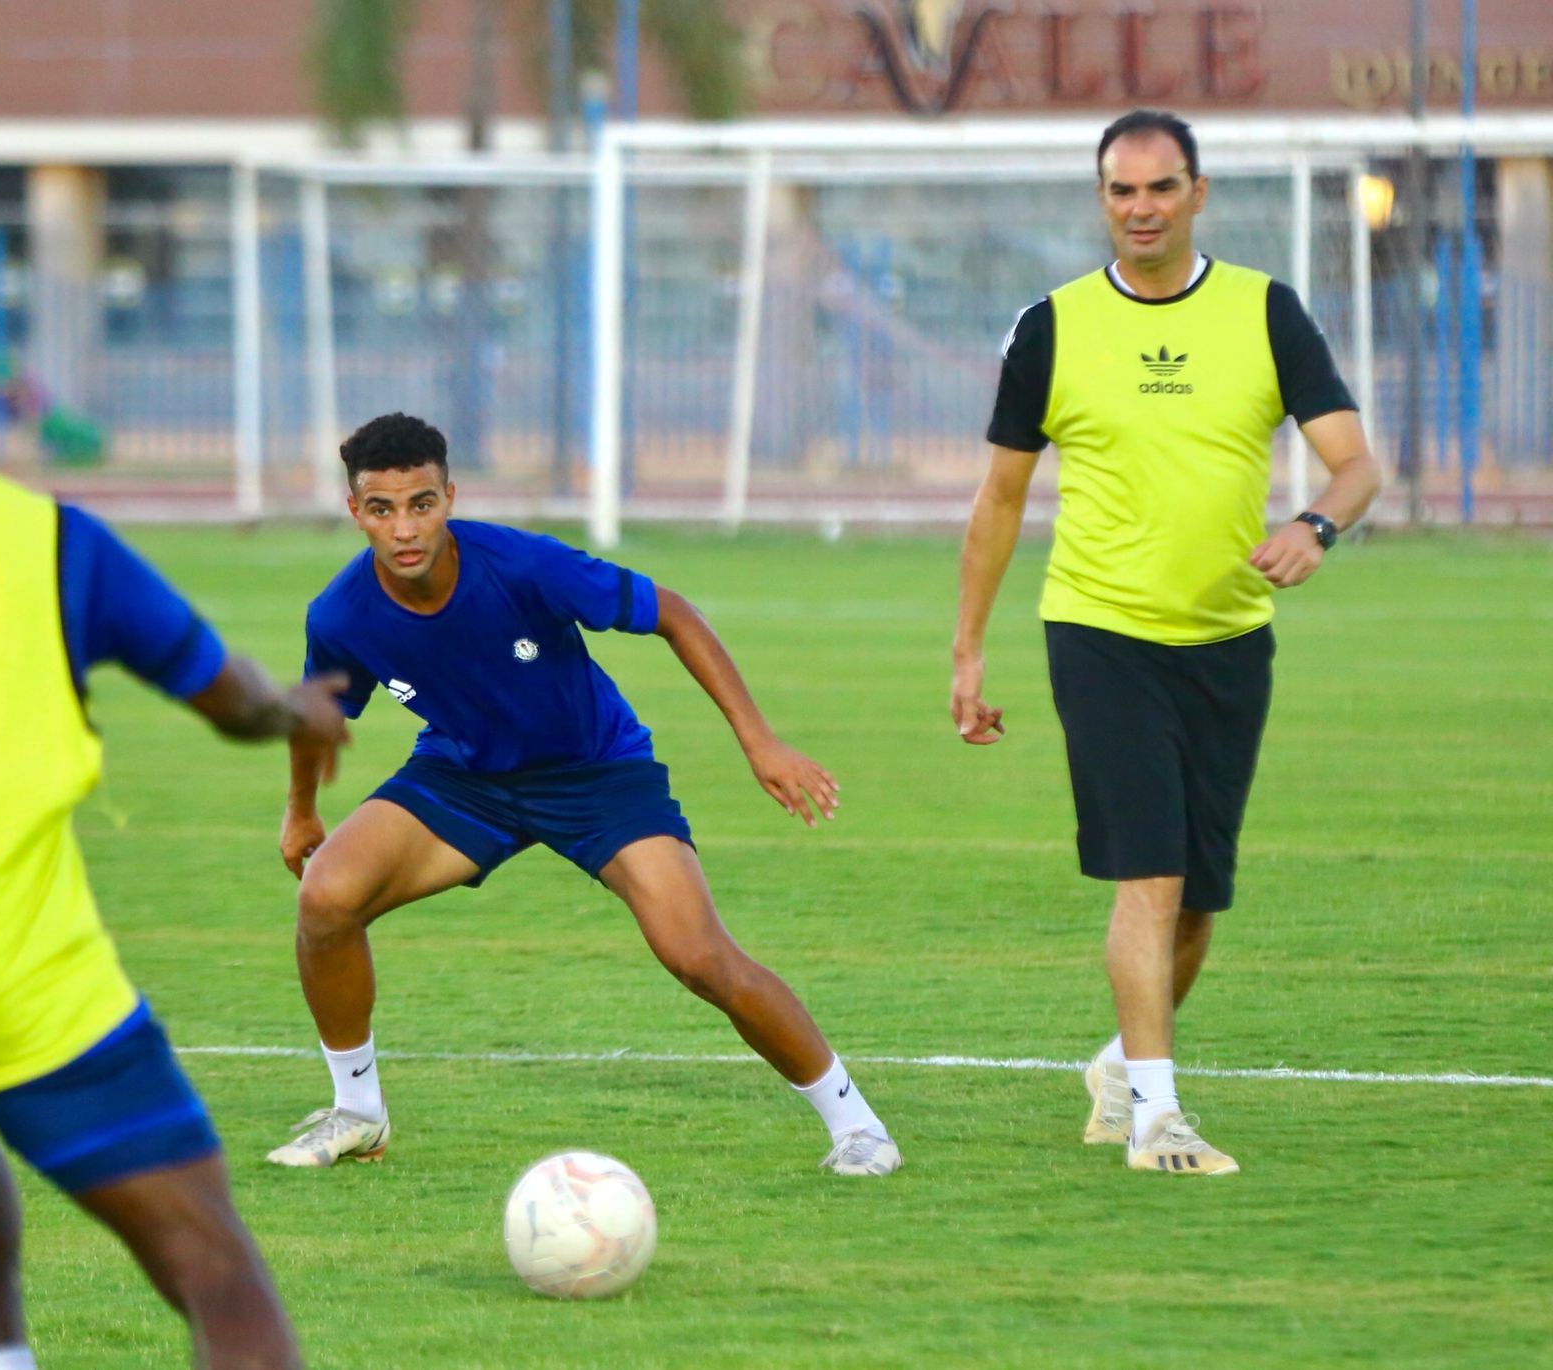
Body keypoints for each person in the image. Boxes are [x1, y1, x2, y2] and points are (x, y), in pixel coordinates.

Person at [266, 412, 900, 1178]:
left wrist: (759, 742)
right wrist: (302, 810)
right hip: (465, 777)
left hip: (597, 772)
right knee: (327, 897)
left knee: (697, 955)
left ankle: (857, 1126)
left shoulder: (525, 566)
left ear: (450, 497)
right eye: (382, 508)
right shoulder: (339, 614)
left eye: (422, 503)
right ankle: (358, 1115)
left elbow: (671, 612)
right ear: (354, 511)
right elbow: (318, 715)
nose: (404, 527)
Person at [950, 109, 1382, 1176]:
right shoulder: (1050, 326)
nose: (1138, 208)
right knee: (1146, 875)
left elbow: (1356, 465)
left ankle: (1116, 1066)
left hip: (1229, 641)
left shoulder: (1266, 313)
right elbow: (999, 498)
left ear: (1197, 193)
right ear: (1101, 199)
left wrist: (1313, 525)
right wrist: (967, 648)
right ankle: (1155, 1117)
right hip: (1099, 634)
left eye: (1158, 187)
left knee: (1196, 896)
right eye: (1119, 190)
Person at [0, 322, 351, 1369]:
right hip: (22, 985)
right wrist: (295, 709)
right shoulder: (54, 546)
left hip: (9, 989)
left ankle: (0, 1355)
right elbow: (229, 698)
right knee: (215, 1269)